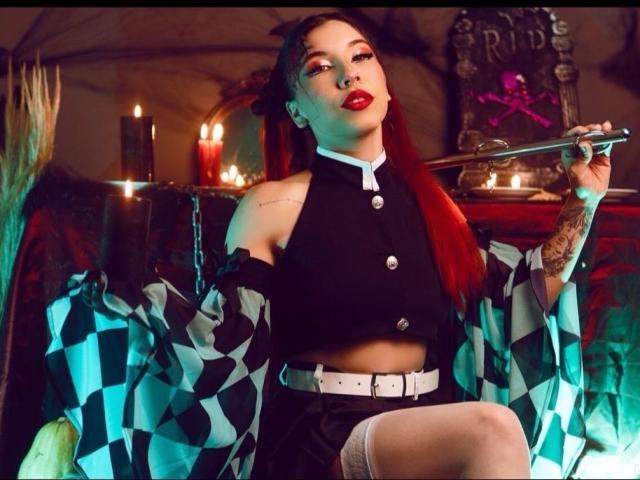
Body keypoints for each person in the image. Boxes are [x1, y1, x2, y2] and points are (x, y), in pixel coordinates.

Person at [62, 11, 612, 480]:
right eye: (320, 68)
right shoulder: (273, 205)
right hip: (323, 432)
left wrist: (583, 200)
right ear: (297, 110)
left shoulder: (434, 205)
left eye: (361, 56)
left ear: (386, 87)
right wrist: (139, 306)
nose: (349, 74)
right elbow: (224, 336)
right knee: (492, 428)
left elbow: (523, 297)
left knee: (487, 428)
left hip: (430, 415)